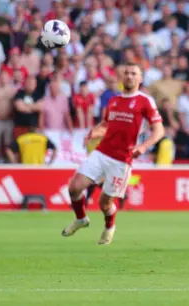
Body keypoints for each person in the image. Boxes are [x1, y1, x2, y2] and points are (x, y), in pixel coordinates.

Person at [61, 63, 164, 245]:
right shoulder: (114, 101)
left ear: (140, 79)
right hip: (102, 152)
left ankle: (109, 227)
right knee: (74, 187)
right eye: (126, 73)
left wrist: (143, 146)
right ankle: (81, 218)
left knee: (105, 204)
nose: (129, 76)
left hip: (122, 160)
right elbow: (106, 125)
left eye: (134, 73)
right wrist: (95, 132)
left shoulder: (145, 101)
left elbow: (159, 130)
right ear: (121, 77)